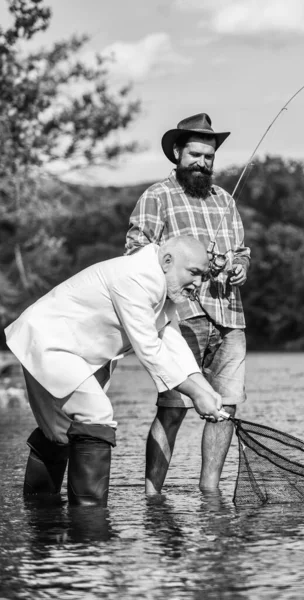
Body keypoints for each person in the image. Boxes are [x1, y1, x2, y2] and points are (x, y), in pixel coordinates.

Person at [5, 236, 223, 507]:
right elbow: (149, 348)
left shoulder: (162, 287)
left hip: (60, 348)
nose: (199, 284)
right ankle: (90, 523)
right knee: (96, 415)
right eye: (194, 273)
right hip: (48, 341)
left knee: (58, 434)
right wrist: (195, 394)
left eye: (204, 276)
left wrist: (204, 388)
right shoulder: (135, 277)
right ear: (168, 261)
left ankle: (40, 515)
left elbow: (173, 343)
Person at [125, 112, 251, 495]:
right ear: (177, 153)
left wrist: (237, 267)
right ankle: (152, 493)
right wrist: (189, 266)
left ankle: (209, 492)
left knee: (225, 407)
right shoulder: (156, 197)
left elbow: (242, 252)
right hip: (181, 318)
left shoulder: (225, 201)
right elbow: (135, 252)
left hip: (229, 317)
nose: (202, 163)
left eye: (209, 157)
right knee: (174, 405)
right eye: (195, 155)